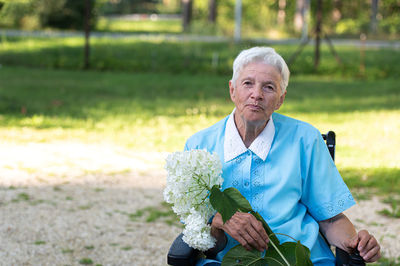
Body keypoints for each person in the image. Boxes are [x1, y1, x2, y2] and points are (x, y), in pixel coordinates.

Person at [183, 47, 381, 265]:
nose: (256, 94)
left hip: (301, 259)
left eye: (268, 87)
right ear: (232, 90)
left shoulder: (306, 140)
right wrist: (221, 221)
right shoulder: (198, 147)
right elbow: (197, 232)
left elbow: (331, 219)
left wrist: (355, 242)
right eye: (247, 83)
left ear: (280, 99)